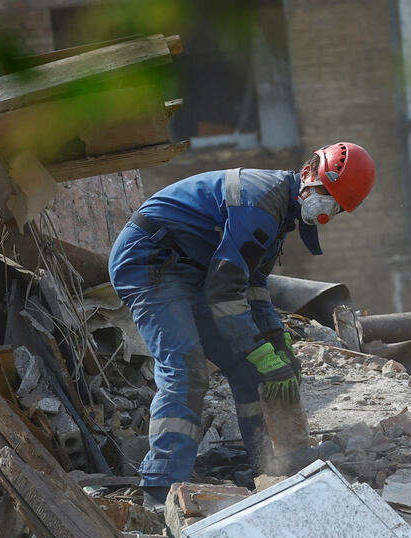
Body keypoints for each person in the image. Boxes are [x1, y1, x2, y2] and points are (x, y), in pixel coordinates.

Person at [108, 142, 376, 510]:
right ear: (309, 174)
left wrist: (275, 342)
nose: (327, 207)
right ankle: (161, 487)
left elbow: (252, 286)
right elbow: (224, 292)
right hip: (152, 261)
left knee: (254, 371)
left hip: (192, 270)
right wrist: (256, 348)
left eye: (337, 204)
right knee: (186, 369)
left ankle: (271, 464)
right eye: (327, 194)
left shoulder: (281, 213)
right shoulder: (260, 202)